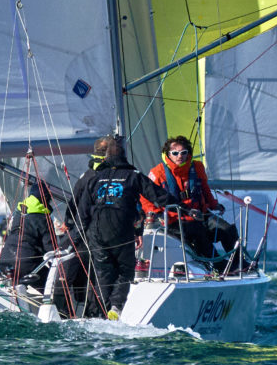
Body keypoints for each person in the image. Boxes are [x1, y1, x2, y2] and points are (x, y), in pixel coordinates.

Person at [65, 135, 152, 316]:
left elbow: (73, 207)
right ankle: (109, 310)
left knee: (99, 275)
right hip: (102, 233)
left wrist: (71, 229)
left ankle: (97, 313)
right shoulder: (121, 176)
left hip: (89, 233)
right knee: (113, 271)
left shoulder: (88, 176)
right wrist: (137, 230)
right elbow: (133, 206)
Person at [142, 135, 243, 271]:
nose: (180, 156)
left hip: (201, 215)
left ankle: (239, 263)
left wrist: (213, 204)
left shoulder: (197, 167)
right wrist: (157, 214)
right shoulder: (157, 173)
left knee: (228, 230)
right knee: (197, 232)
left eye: (184, 152)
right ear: (167, 154)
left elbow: (205, 189)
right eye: (175, 153)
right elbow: (145, 198)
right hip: (175, 220)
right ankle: (218, 264)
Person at [0, 189, 55, 290]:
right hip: (26, 265)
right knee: (54, 280)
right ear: (46, 199)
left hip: (4, 261)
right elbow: (50, 247)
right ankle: (55, 304)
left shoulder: (19, 213)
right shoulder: (43, 218)